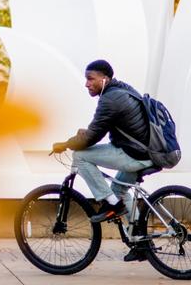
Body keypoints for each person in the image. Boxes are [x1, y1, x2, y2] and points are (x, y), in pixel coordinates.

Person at [50, 59, 154, 262]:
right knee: (119, 190)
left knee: (81, 156)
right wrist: (84, 135)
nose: (86, 84)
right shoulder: (121, 90)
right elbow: (100, 128)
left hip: (134, 155)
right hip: (144, 152)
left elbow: (92, 137)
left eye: (90, 79)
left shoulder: (110, 99)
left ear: (104, 79)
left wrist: (66, 144)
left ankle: (110, 204)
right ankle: (141, 242)